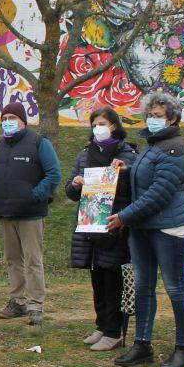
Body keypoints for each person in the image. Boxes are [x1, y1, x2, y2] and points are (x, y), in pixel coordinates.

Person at [109, 92, 184, 367]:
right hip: (143, 228)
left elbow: (159, 193)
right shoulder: (154, 145)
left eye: (158, 115)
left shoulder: (175, 148)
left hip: (168, 228)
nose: (152, 119)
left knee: (175, 288)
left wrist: (123, 217)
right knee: (144, 287)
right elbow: (146, 176)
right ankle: (142, 344)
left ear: (172, 117)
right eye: (149, 115)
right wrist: (127, 167)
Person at [65, 107, 137, 351]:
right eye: (95, 123)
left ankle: (113, 331)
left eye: (103, 123)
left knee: (112, 278)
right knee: (97, 277)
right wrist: (75, 185)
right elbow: (70, 190)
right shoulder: (86, 154)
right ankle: (101, 325)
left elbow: (136, 187)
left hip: (114, 225)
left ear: (114, 126)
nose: (99, 128)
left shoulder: (128, 154)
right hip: (90, 223)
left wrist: (125, 173)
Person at [0, 101, 61, 325]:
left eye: (12, 118)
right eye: (4, 118)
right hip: (5, 212)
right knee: (12, 260)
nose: (7, 122)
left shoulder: (39, 142)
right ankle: (17, 301)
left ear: (23, 121)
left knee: (33, 260)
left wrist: (34, 195)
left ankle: (35, 305)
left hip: (30, 214)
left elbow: (53, 174)